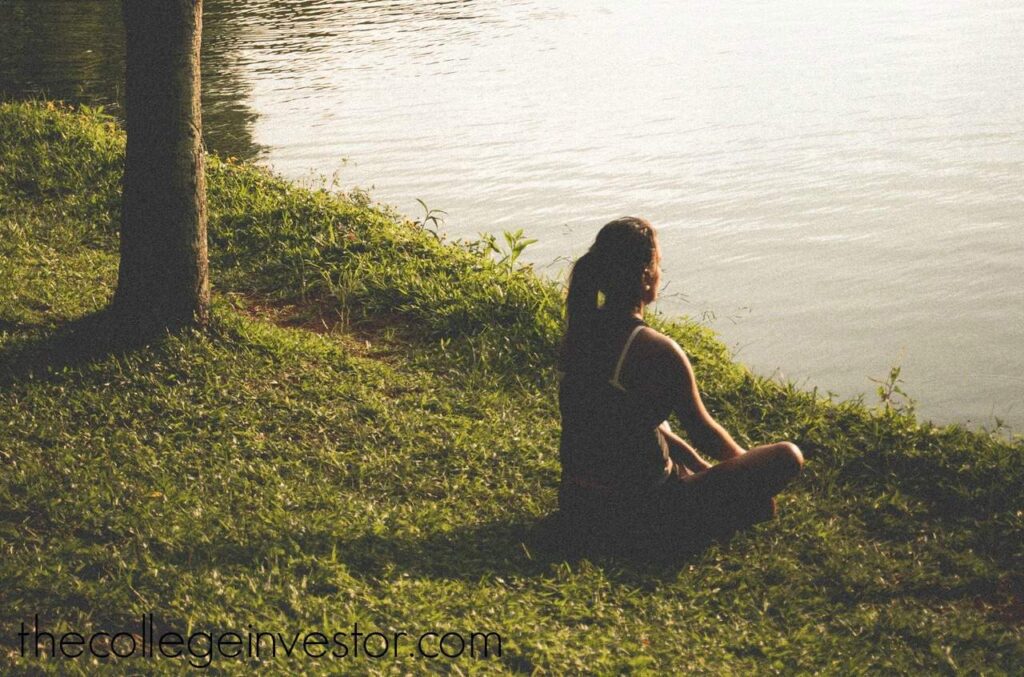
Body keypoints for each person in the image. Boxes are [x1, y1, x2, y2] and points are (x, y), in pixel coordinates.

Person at [557, 216, 803, 554]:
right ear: (645, 276)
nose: (660, 272)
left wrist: (701, 467)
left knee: (655, 416)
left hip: (578, 505)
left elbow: (628, 422)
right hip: (640, 514)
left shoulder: (580, 333)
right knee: (786, 457)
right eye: (659, 264)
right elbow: (705, 433)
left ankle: (708, 494)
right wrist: (745, 469)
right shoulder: (657, 351)